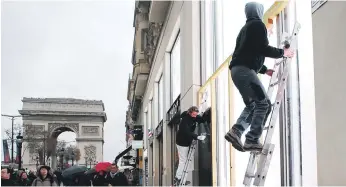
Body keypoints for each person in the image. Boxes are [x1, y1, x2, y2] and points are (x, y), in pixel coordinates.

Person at [225, 2, 295, 152]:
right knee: (263, 104)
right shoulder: (258, 25)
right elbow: (262, 48)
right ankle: (251, 139)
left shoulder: (244, 29)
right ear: (259, 11)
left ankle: (236, 131)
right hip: (245, 72)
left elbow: (247, 52)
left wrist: (264, 70)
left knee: (252, 105)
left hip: (238, 72)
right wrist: (284, 53)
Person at [173, 106, 209, 186]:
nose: (195, 116)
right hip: (181, 142)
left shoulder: (195, 117)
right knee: (183, 161)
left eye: (196, 114)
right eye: (193, 114)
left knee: (185, 161)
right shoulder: (184, 120)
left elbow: (201, 119)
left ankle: (181, 178)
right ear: (189, 113)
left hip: (187, 142)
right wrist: (197, 137)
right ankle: (178, 178)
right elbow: (186, 132)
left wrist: (206, 113)